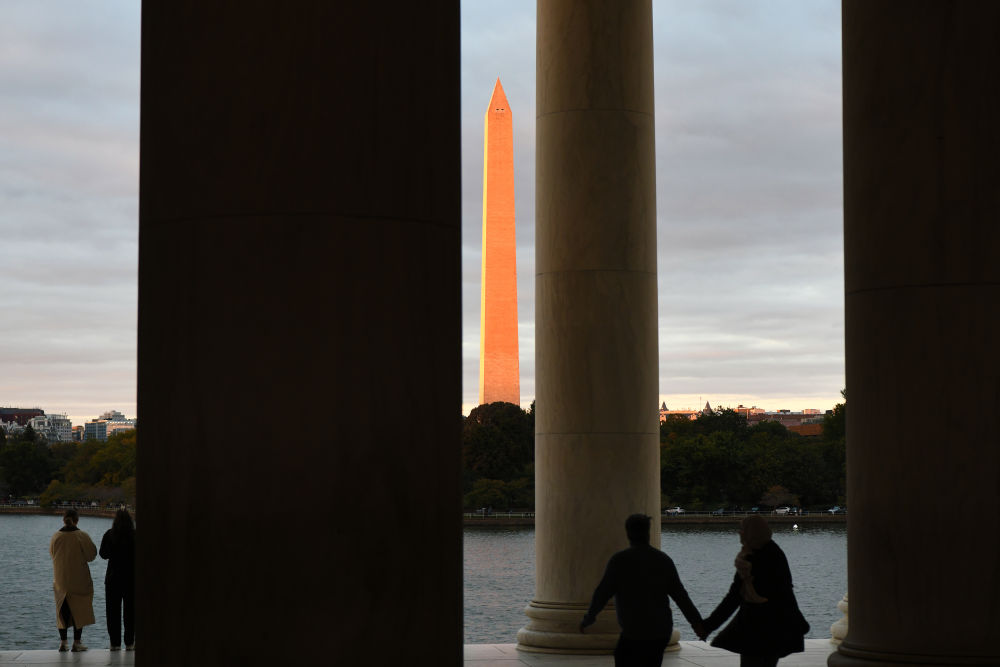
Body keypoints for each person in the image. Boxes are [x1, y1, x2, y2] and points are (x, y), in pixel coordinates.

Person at [580, 514, 705, 667]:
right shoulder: (663, 560)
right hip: (660, 630)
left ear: (627, 533)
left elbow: (602, 593)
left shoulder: (620, 560)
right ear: (648, 533)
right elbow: (681, 596)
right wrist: (697, 624)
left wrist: (589, 618)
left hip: (633, 630)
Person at [698, 515, 809, 667]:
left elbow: (734, 597)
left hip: (758, 628)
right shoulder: (770, 553)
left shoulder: (752, 558)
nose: (740, 533)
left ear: (751, 532)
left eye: (742, 529)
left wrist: (708, 626)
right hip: (776, 626)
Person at [50, 508, 98, 652]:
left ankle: (63, 642)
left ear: (63, 520)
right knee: (79, 608)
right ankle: (77, 642)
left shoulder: (56, 536)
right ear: (77, 520)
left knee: (62, 609)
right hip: (79, 578)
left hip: (60, 578)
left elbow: (52, 554)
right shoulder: (81, 536)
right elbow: (91, 555)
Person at [100, 508, 136, 651]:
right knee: (130, 613)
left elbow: (103, 554)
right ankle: (129, 643)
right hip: (131, 579)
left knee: (112, 613)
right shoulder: (135, 535)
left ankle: (115, 643)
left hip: (113, 579)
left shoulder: (110, 534)